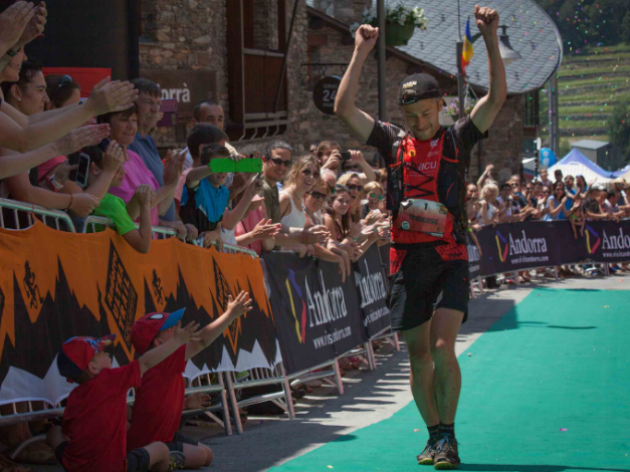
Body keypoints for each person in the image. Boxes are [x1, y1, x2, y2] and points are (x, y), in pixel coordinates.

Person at [334, 4, 506, 468]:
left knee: (442, 346)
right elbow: (343, 108)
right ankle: (434, 435)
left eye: (425, 113)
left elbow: (495, 99)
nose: (419, 122)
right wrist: (360, 51)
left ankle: (448, 437)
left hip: (449, 254)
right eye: (411, 115)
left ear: (440, 106)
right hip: (406, 261)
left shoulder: (458, 138)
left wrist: (489, 38)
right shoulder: (391, 141)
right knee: (417, 356)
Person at [47, 322, 202, 472]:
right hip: (113, 468)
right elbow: (146, 362)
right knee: (160, 448)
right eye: (101, 352)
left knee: (54, 432)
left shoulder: (73, 397)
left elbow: (66, 431)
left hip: (73, 466)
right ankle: (163, 466)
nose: (107, 353)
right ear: (93, 367)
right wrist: (176, 341)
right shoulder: (112, 379)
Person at [127, 293, 252, 469]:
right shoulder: (163, 360)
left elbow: (154, 404)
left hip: (164, 436)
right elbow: (202, 341)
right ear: (158, 342)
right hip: (149, 443)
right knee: (201, 456)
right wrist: (230, 315)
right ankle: (158, 460)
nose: (177, 328)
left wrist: (185, 404)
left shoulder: (160, 361)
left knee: (207, 455)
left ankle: (162, 459)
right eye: (170, 328)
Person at [99, 105, 182, 229]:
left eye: (133, 120)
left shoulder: (135, 157)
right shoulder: (106, 162)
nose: (131, 126)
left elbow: (160, 209)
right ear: (106, 124)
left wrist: (172, 181)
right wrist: (168, 186)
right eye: (124, 120)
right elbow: (129, 214)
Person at [84, 144, 154, 253]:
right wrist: (145, 205)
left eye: (123, 165)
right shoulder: (111, 203)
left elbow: (124, 218)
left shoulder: (79, 194)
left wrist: (136, 199)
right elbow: (143, 245)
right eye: (116, 165)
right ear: (95, 168)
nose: (124, 172)